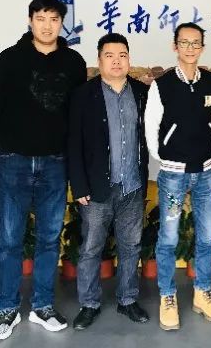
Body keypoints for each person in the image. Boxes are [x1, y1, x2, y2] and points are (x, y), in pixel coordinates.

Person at [0, 0, 87, 340]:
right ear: (30, 21)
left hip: (55, 163)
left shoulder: (73, 62)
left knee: (49, 238)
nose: (47, 25)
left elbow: (76, 112)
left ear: (61, 23)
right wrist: (12, 141)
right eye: (41, 18)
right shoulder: (9, 59)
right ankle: (6, 309)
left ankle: (43, 305)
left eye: (54, 19)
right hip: (14, 161)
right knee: (10, 239)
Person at [144, 22, 211, 331]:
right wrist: (164, 157)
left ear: (202, 47)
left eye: (195, 43)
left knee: (206, 236)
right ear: (174, 46)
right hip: (173, 175)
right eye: (184, 42)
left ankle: (203, 293)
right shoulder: (162, 85)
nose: (190, 48)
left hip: (205, 172)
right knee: (169, 238)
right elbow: (151, 125)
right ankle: (168, 296)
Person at [67, 33, 150, 331]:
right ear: (99, 59)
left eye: (122, 55)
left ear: (129, 59)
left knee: (131, 246)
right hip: (96, 188)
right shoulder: (83, 95)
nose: (117, 61)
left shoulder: (142, 93)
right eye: (110, 55)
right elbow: (73, 143)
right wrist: (79, 186)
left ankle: (127, 299)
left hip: (132, 186)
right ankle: (89, 304)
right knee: (91, 248)